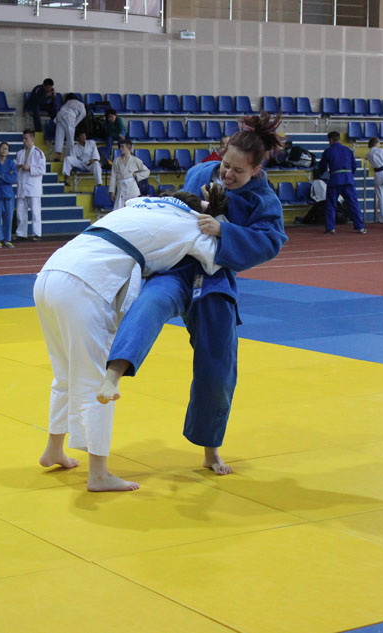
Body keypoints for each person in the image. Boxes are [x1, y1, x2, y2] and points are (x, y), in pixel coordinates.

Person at [97, 113, 289, 478]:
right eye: (226, 165)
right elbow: (176, 209)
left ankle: (210, 449)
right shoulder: (201, 174)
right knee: (149, 304)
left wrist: (225, 231)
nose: (228, 174)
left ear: (256, 170)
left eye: (239, 171)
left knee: (218, 364)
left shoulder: (263, 200)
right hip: (178, 266)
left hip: (216, 279)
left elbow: (271, 242)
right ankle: (114, 373)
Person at [35, 191, 230, 492]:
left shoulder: (140, 204)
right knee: (98, 381)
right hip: (84, 285)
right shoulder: (188, 222)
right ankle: (98, 474)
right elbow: (218, 258)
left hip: (50, 273)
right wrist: (221, 226)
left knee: (64, 372)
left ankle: (54, 449)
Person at [318, 130, 365, 234]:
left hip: (335, 179)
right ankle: (360, 227)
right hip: (348, 179)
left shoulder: (328, 151)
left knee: (331, 204)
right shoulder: (348, 150)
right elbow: (354, 166)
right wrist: (349, 175)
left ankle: (331, 228)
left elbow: (322, 166)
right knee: (353, 203)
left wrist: (322, 173)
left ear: (330, 140)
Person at [15, 128, 46, 241]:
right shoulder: (19, 153)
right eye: (23, 138)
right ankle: (21, 233)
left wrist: (30, 168)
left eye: (26, 138)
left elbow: (42, 170)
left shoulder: (39, 153)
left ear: (32, 139)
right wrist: (18, 167)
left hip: (33, 186)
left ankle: (36, 233)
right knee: (20, 212)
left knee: (35, 212)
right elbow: (16, 168)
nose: (24, 141)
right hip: (22, 185)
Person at [109, 139, 150, 209]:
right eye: (120, 147)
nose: (120, 149)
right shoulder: (116, 161)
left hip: (132, 188)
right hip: (121, 188)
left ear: (128, 147)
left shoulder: (135, 160)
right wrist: (112, 191)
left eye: (122, 147)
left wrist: (137, 175)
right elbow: (113, 176)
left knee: (134, 209)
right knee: (118, 210)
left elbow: (147, 171)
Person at [53, 93, 86, 161]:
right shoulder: (81, 104)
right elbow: (83, 114)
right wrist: (75, 124)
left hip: (59, 116)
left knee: (59, 136)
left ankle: (58, 156)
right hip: (69, 117)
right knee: (70, 138)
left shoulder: (67, 102)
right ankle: (68, 157)